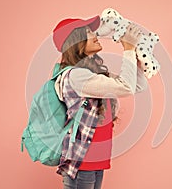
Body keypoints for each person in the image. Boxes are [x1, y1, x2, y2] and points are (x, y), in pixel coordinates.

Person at [52, 15, 148, 189]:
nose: (95, 34)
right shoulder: (76, 76)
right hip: (82, 164)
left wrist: (135, 54)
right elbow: (125, 87)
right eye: (89, 32)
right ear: (77, 42)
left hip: (94, 161)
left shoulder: (91, 74)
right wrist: (127, 48)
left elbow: (137, 86)